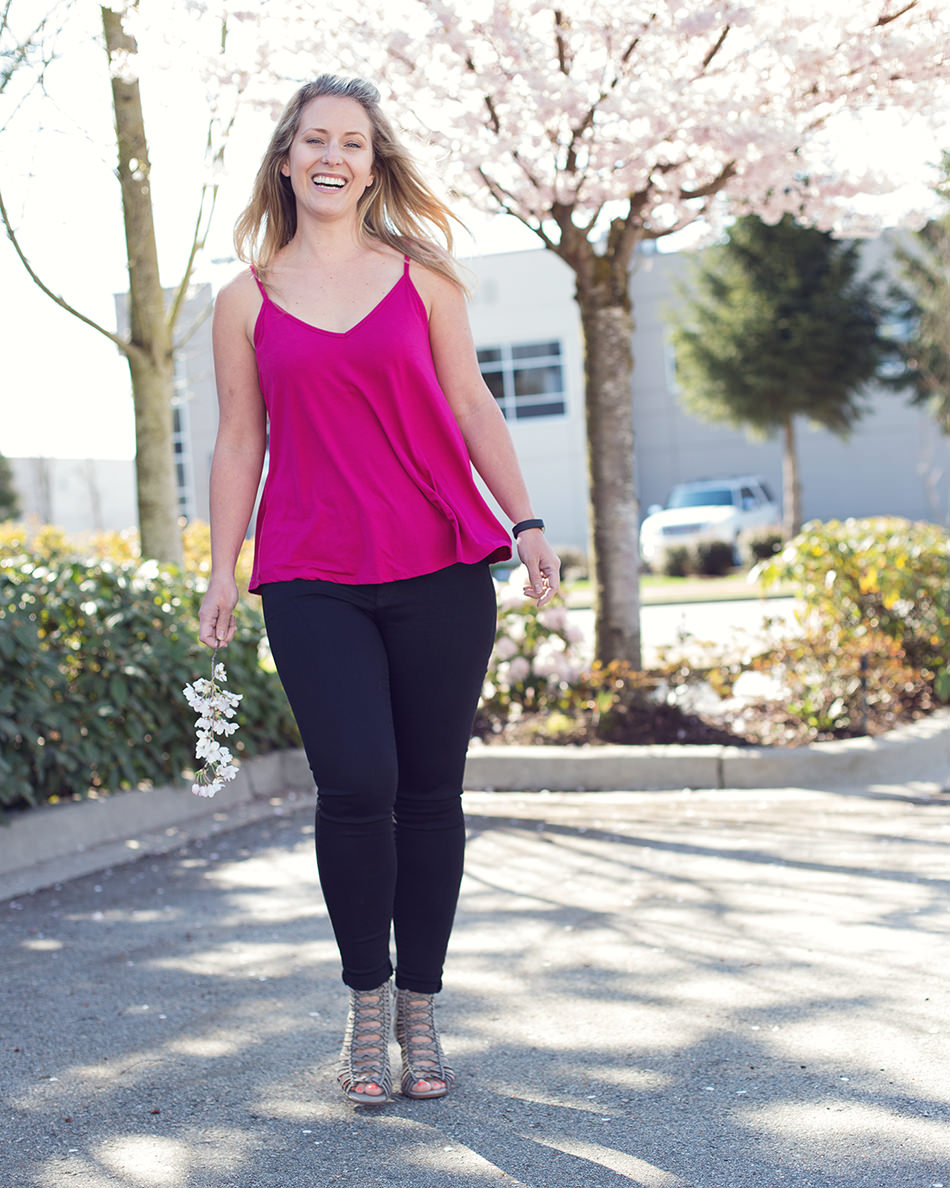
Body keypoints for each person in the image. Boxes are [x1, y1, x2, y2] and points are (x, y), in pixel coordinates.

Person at [197, 73, 560, 1106]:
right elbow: (237, 441)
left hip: (441, 566)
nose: (333, 155)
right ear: (285, 159)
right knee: (354, 784)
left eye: (352, 142)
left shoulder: (424, 280)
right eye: (315, 139)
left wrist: (525, 522)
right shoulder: (244, 300)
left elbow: (474, 410)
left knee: (427, 793)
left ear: (372, 163)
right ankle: (366, 1001)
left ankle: (421, 1010)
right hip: (312, 573)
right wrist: (220, 571)